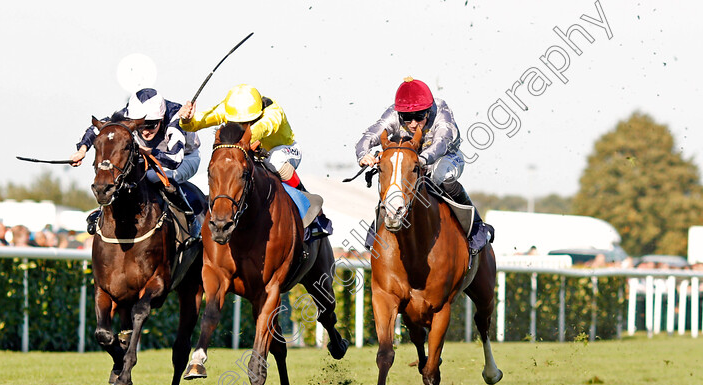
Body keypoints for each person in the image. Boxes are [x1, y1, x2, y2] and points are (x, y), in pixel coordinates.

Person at [355, 77, 492, 254]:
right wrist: (363, 154)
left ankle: (476, 227)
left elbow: (442, 142)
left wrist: (420, 160)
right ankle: (376, 229)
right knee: (393, 178)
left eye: (419, 117)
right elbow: (369, 135)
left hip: (444, 157)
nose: (412, 124)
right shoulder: (393, 114)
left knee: (442, 177)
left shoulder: (441, 110)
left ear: (428, 111)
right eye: (406, 118)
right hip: (411, 159)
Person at [177, 84, 331, 237]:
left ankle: (307, 200)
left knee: (275, 161)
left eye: (249, 121)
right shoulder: (228, 109)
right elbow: (197, 123)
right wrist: (186, 119)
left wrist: (241, 140)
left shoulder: (273, 111)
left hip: (284, 150)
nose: (244, 125)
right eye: (239, 122)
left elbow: (263, 127)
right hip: (249, 152)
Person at [70, 88, 203, 243]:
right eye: (140, 126)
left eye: (151, 125)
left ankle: (191, 219)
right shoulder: (129, 113)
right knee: (123, 173)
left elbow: (174, 159)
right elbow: (97, 127)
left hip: (185, 157)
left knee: (153, 177)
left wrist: (145, 151)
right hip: (148, 155)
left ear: (161, 118)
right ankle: (103, 212)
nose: (145, 132)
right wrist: (82, 150)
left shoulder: (174, 116)